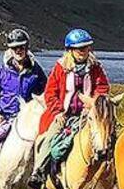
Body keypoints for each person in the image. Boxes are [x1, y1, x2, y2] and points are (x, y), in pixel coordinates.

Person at [35, 29, 110, 178]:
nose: (83, 51)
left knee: (105, 135)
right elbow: (50, 92)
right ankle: (39, 171)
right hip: (64, 114)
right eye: (79, 48)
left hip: (88, 113)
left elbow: (102, 87)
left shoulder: (96, 67)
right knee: (50, 137)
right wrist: (58, 112)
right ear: (70, 50)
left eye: (86, 47)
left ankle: (110, 172)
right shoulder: (60, 67)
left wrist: (93, 103)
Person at [0, 28, 46, 183]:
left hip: (27, 119)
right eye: (15, 47)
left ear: (27, 47)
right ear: (10, 49)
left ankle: (40, 175)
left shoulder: (36, 71)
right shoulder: (1, 70)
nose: (18, 50)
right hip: (4, 116)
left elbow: (45, 93)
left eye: (21, 47)